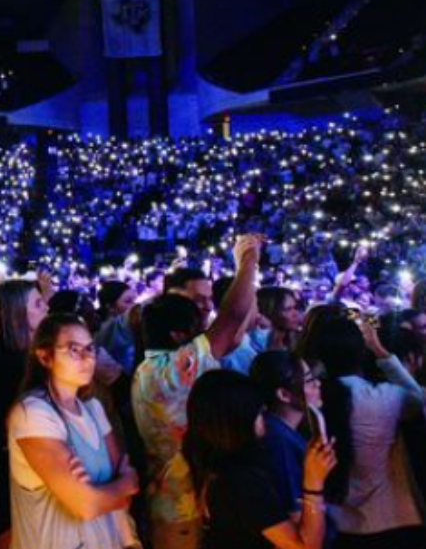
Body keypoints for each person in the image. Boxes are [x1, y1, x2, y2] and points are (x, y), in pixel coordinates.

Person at [132, 234, 262, 549]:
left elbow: (233, 333)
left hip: (183, 495)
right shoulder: (169, 370)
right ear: (179, 334)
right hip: (178, 505)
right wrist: (248, 259)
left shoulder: (157, 367)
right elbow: (229, 321)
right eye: (196, 322)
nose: (205, 318)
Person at [8, 314, 139, 549]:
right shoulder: (33, 414)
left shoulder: (93, 408)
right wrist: (124, 483)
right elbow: (85, 506)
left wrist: (100, 493)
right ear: (45, 356)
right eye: (73, 350)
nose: (86, 358)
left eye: (90, 349)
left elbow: (123, 501)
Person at [183, 369, 335, 549]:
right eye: (257, 411)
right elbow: (305, 546)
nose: (264, 412)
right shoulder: (241, 480)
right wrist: (314, 485)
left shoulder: (213, 464)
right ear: (238, 421)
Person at [313, 312, 425, 548]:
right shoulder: (383, 396)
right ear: (362, 353)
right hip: (389, 517)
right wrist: (380, 351)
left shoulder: (311, 400)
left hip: (334, 518)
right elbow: (418, 401)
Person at [0, 278, 48, 549]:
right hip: (6, 476)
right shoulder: (0, 363)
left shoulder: (26, 356)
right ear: (16, 312)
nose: (46, 308)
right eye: (38, 304)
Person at [249, 351, 326, 534]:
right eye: (309, 380)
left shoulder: (281, 430)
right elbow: (296, 515)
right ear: (284, 394)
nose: (318, 384)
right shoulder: (278, 441)